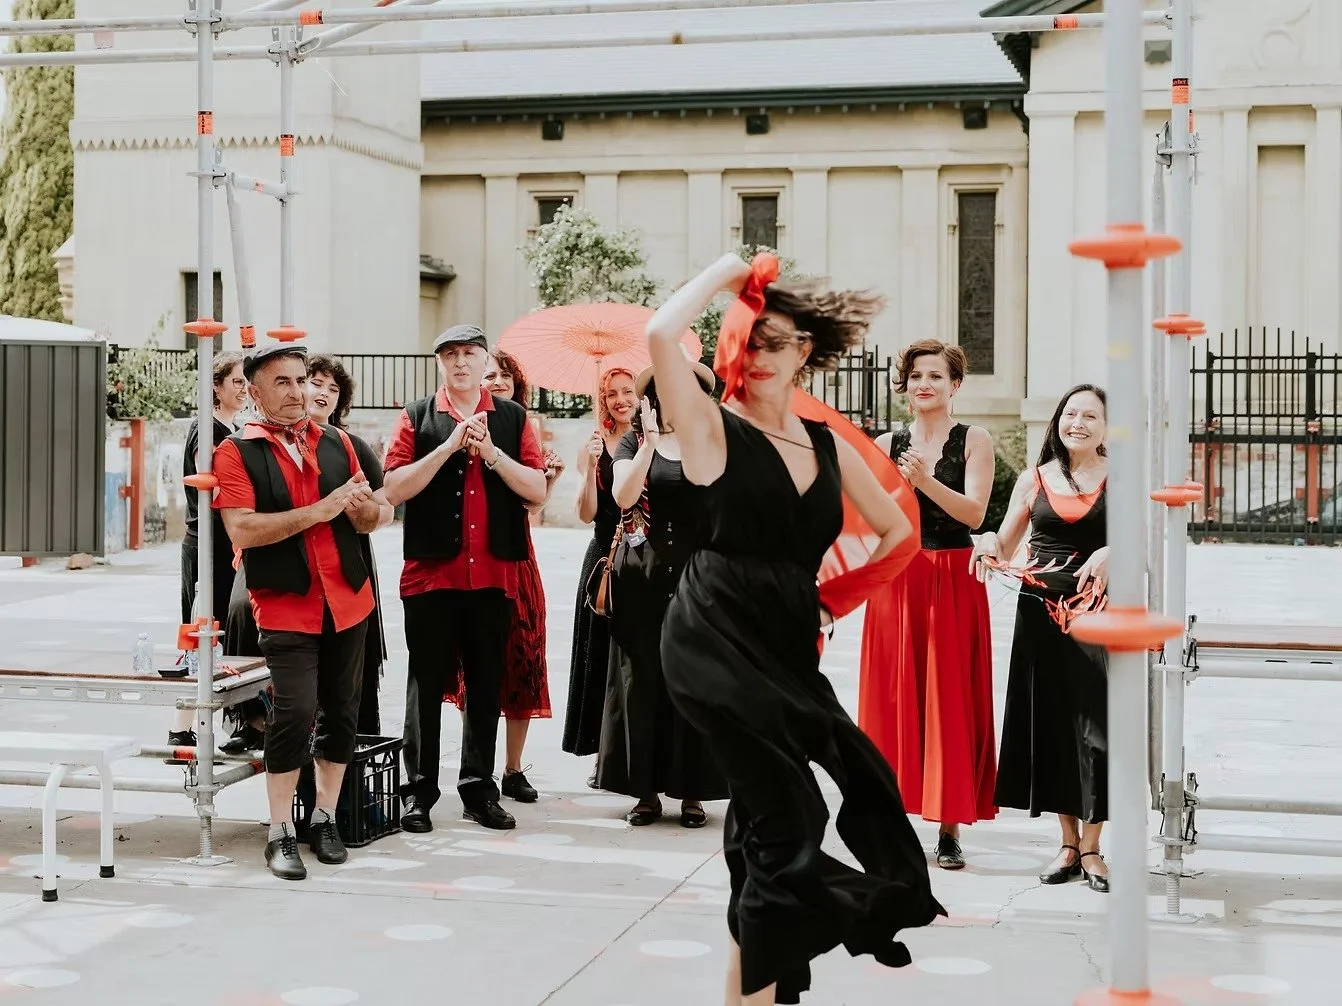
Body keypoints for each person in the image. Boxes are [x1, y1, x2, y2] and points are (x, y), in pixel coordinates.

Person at [647, 252, 944, 1005]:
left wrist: (829, 601)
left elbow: (899, 537)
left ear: (805, 349)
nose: (760, 355)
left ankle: (769, 986)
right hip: (712, 635)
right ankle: (783, 967)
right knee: (788, 821)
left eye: (777, 341)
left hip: (786, 638)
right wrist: (722, 277)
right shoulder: (713, 427)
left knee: (796, 809)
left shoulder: (826, 443)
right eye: (749, 340)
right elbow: (658, 334)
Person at [214, 342, 393, 881]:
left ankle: (324, 818)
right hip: (285, 603)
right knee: (293, 713)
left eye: (301, 380)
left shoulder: (341, 442)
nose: (298, 393)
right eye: (284, 383)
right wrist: (320, 510)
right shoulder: (237, 451)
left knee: (343, 712)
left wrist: (364, 512)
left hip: (350, 600)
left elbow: (379, 514)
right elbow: (242, 528)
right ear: (255, 390)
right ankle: (279, 832)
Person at [382, 325, 548, 834]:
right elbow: (392, 489)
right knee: (424, 686)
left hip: (494, 574)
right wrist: (451, 447)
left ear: (484, 363)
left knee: (485, 685)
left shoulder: (514, 418)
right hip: (432, 574)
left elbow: (538, 490)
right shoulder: (415, 416)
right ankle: (419, 792)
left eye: (469, 354)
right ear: (440, 363)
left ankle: (479, 789)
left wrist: (493, 456)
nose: (459, 363)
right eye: (449, 354)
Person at [859, 339, 997, 870]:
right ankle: (888, 820)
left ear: (954, 384)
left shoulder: (974, 440)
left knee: (947, 699)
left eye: (936, 376)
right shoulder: (886, 440)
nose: (924, 384)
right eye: (917, 375)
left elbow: (975, 515)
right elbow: (871, 515)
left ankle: (948, 828)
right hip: (899, 578)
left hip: (953, 579)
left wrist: (924, 482)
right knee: (893, 696)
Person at [972, 384, 1111, 894]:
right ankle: (1069, 843)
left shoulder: (1118, 478)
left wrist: (1112, 550)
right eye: (1070, 413)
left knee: (1096, 728)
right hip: (1039, 616)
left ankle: (1095, 848)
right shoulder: (1034, 479)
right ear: (1058, 420)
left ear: (1104, 427)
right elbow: (1005, 539)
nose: (1077, 422)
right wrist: (987, 541)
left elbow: (1148, 538)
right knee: (1051, 725)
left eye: (1090, 415)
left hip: (1097, 616)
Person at [596, 359, 729, 827]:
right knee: (642, 681)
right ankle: (645, 792)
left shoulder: (714, 440)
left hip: (698, 580)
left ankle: (693, 792)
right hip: (642, 580)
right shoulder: (635, 440)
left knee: (694, 681)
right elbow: (622, 497)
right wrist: (651, 444)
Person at [442, 349, 565, 804]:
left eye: (503, 377)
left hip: (516, 559)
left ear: (516, 386)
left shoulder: (521, 430)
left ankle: (513, 768)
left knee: (523, 657)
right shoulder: (453, 423)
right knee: (471, 666)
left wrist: (549, 480)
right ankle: (479, 765)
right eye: (487, 375)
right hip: (469, 564)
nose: (494, 382)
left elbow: (534, 505)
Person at [171, 352, 256, 759]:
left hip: (221, 543)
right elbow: (212, 493)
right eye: (236, 382)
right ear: (216, 387)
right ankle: (182, 726)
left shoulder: (228, 427)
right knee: (202, 631)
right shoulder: (208, 430)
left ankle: (197, 723)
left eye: (245, 382)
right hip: (206, 544)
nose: (243, 389)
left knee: (214, 632)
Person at [306, 354, 387, 736]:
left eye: (333, 389)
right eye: (316, 383)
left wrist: (366, 511)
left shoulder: (351, 445)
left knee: (351, 676)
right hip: (296, 571)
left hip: (348, 567)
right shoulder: (271, 440)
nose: (323, 394)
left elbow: (386, 506)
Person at [561, 366, 638, 772]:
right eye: (611, 393)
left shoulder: (650, 441)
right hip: (605, 558)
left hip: (645, 557)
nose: (621, 399)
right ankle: (603, 755)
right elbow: (585, 511)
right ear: (603, 401)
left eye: (628, 391)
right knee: (599, 657)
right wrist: (590, 469)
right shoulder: (593, 445)